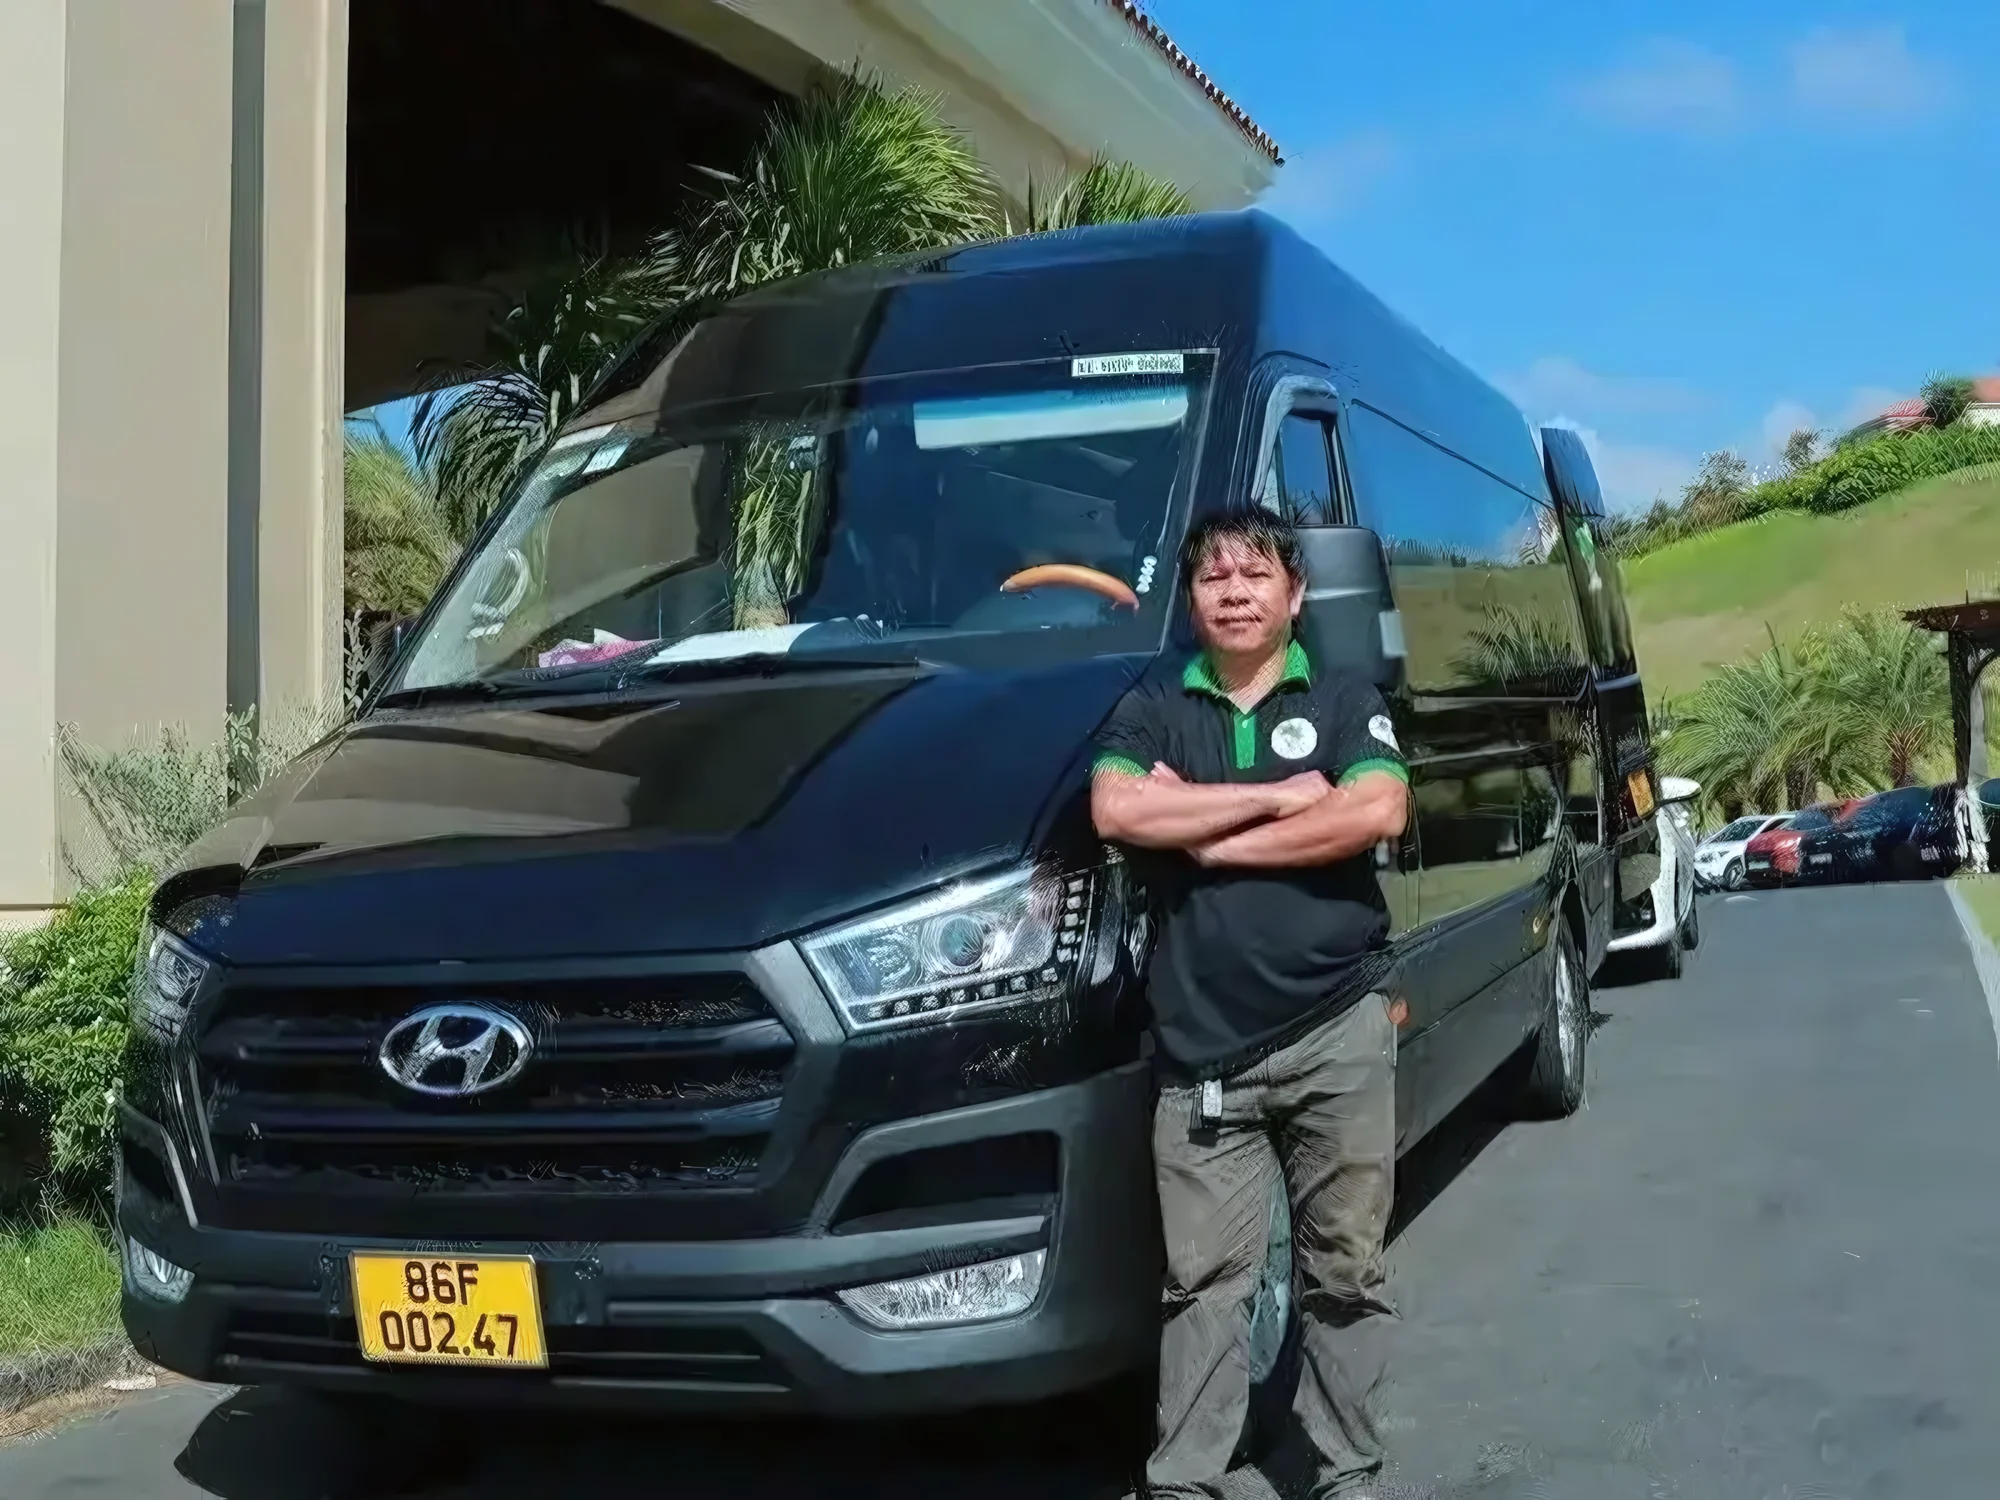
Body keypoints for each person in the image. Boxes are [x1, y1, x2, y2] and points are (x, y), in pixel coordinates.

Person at [1091, 509, 1412, 1499]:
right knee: (1201, 1288)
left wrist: (1206, 835)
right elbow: (1116, 808)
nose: (1233, 592)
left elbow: (1375, 807)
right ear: (1190, 599)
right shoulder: (1152, 701)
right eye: (1213, 578)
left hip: (1334, 1033)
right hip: (1201, 1057)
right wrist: (1278, 798)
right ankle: (1185, 1481)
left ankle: (1344, 1473)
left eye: (1254, 574)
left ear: (1294, 594)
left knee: (1344, 1277)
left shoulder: (1346, 694)